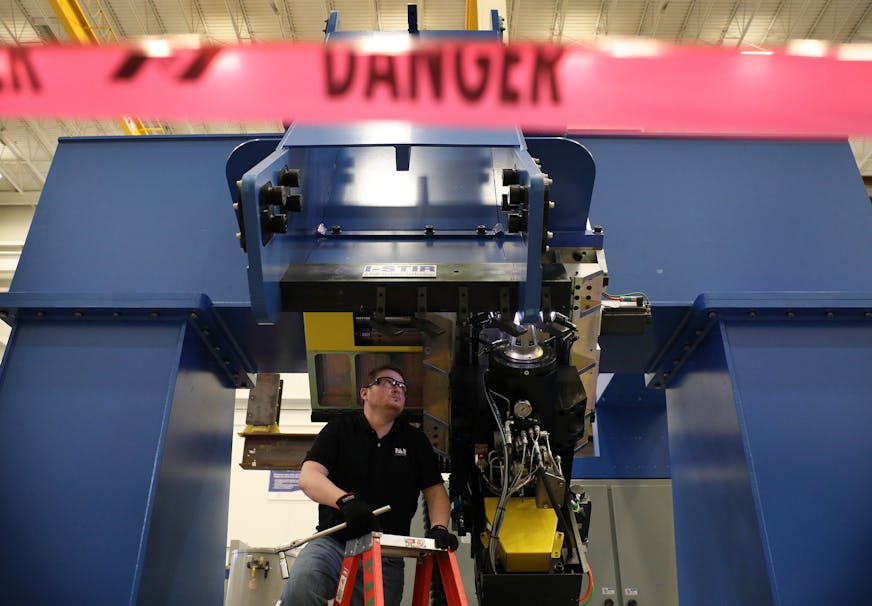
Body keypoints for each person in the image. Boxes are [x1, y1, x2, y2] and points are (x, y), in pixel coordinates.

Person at [280, 364, 458, 606]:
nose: (398, 389)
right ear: (365, 392)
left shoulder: (415, 441)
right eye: (388, 382)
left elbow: (436, 493)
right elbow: (309, 477)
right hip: (335, 543)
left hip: (387, 551)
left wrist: (439, 528)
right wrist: (346, 502)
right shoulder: (340, 429)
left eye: (402, 387)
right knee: (300, 589)